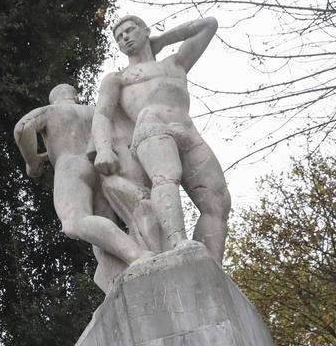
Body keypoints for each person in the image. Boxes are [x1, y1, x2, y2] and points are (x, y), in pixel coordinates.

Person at [92, 14, 232, 263]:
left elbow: (209, 24)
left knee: (218, 201)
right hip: (150, 127)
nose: (124, 37)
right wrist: (103, 149)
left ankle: (210, 265)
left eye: (130, 30)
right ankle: (178, 245)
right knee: (166, 180)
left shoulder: (175, 64)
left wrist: (161, 40)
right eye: (119, 37)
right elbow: (102, 114)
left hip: (187, 130)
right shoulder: (118, 78)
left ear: (145, 31)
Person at [14, 84, 154, 268]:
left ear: (54, 99)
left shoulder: (50, 111)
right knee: (100, 228)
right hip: (100, 168)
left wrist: (32, 161)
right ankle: (118, 275)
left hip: (72, 167)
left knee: (74, 220)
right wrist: (45, 157)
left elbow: (22, 129)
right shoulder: (96, 112)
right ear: (76, 97)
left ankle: (137, 255)